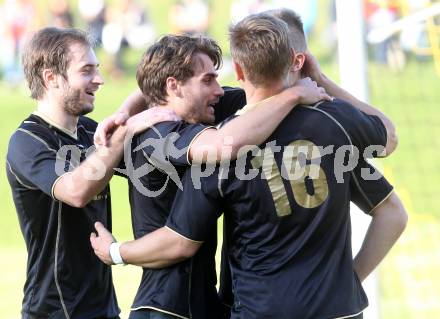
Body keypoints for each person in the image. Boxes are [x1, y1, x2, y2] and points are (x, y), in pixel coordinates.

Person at [91, 12, 407, 319]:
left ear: (240, 71)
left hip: (254, 308)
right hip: (337, 309)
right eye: (210, 79)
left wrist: (116, 252)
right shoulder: (336, 127)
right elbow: (390, 159)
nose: (218, 89)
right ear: (299, 61)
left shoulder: (219, 147)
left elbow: (179, 241)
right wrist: (347, 283)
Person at [101, 33, 329, 319]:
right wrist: (293, 95)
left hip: (199, 305)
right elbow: (224, 145)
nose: (219, 90)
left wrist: (310, 76)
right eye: (208, 80)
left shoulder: (197, 112)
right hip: (166, 308)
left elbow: (264, 94)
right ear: (174, 86)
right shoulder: (158, 133)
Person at [6, 27, 177, 319]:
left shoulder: (87, 130)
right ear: (51, 78)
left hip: (104, 308)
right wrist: (125, 132)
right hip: (55, 311)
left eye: (96, 69)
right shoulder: (27, 141)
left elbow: (145, 160)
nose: (98, 79)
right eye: (86, 71)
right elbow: (75, 191)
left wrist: (160, 82)